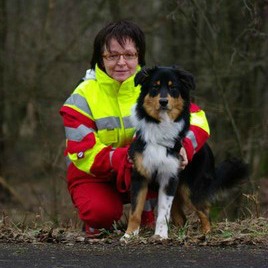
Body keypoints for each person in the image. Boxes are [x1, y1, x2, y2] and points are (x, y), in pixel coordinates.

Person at [59, 20, 210, 238]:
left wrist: (184, 146)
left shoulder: (151, 84)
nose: (121, 62)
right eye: (112, 56)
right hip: (94, 174)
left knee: (158, 162)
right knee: (101, 213)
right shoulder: (81, 97)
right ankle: (96, 224)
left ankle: (147, 220)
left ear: (139, 56)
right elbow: (82, 151)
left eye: (129, 55)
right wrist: (126, 158)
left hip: (143, 167)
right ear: (99, 58)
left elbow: (198, 119)